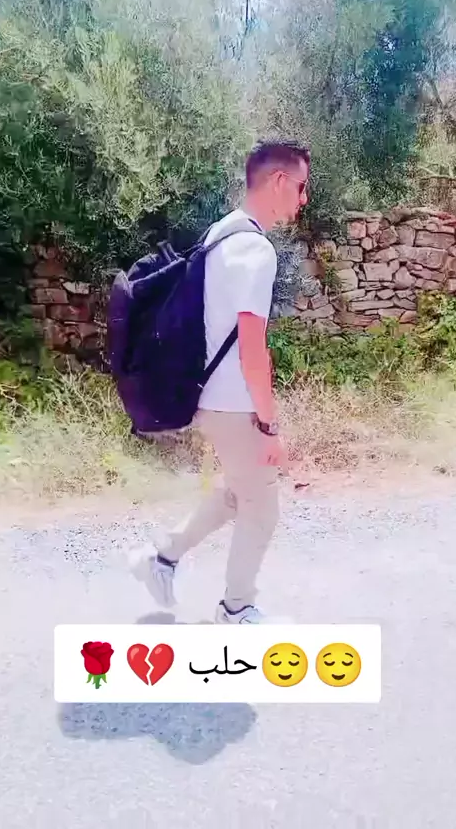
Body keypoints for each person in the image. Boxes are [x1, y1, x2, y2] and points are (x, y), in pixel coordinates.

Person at [130, 140, 310, 623]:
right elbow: (252, 347)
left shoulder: (221, 233)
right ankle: (236, 608)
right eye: (300, 187)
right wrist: (269, 425)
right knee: (262, 508)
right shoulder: (255, 250)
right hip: (234, 403)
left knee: (237, 492)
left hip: (208, 394)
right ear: (278, 182)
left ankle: (161, 558)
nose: (303, 199)